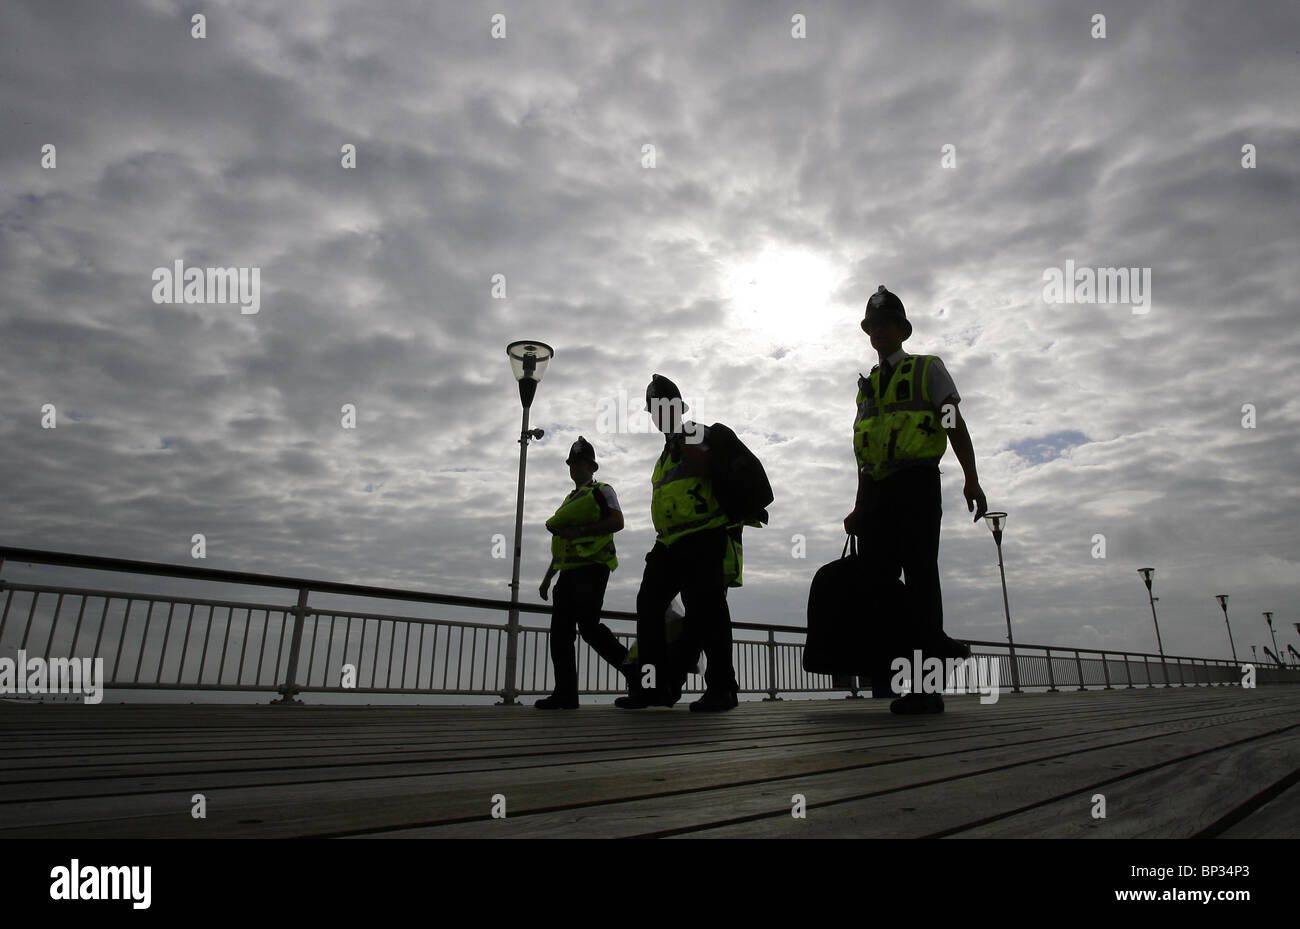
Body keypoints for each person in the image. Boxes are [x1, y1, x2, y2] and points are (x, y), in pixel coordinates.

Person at [845, 285, 988, 715]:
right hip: (877, 492)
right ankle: (910, 663)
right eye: (873, 326)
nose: (879, 332)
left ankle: (926, 688)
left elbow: (952, 422)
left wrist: (972, 478)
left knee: (921, 577)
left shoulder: (927, 369)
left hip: (917, 484)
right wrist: (859, 504)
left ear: (902, 330)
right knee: (880, 583)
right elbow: (863, 451)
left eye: (887, 324)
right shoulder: (867, 386)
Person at [616, 375, 740, 712]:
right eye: (653, 410)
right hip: (670, 542)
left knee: (708, 611)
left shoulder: (693, 432)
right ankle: (654, 687)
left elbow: (709, 467)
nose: (657, 415)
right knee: (649, 604)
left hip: (703, 536)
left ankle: (722, 688)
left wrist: (682, 442)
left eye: (662, 407)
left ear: (677, 407)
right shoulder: (665, 452)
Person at [536, 437, 630, 709]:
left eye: (581, 462)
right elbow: (562, 544)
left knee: (589, 628)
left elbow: (617, 521)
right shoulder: (568, 501)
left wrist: (580, 532)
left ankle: (633, 671)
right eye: (573, 463)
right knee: (560, 632)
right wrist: (547, 578)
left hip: (593, 570)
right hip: (569, 573)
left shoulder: (603, 490)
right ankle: (566, 694)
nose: (576, 467)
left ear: (592, 467)